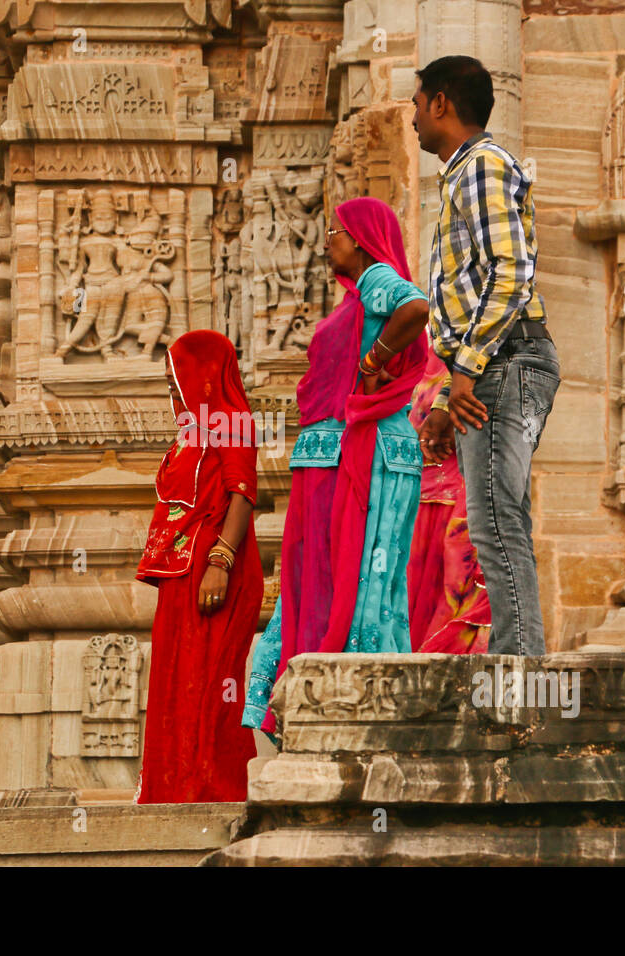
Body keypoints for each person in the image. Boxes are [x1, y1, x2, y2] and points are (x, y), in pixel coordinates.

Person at [241, 196, 431, 740]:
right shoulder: (356, 298)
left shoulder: (377, 279)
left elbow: (417, 308)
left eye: (337, 231)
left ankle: (357, 704)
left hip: (365, 452)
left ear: (363, 239)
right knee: (323, 570)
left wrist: (374, 361)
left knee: (362, 571)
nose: (329, 240)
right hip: (338, 454)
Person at [411, 55, 561, 657]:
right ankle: (516, 661)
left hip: (506, 360)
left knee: (495, 522)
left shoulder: (482, 168)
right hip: (494, 365)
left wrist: (467, 371)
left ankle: (520, 671)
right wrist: (453, 391)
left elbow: (510, 274)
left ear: (442, 102)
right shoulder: (465, 173)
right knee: (500, 519)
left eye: (418, 104)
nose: (414, 118)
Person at [136, 330, 262, 803]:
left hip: (216, 571)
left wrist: (221, 561)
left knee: (213, 687)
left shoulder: (233, 421)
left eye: (177, 382)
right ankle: (173, 789)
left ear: (205, 376)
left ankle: (215, 790)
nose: (172, 393)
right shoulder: (190, 435)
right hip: (180, 577)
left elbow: (242, 492)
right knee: (176, 683)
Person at [406, 351, 492, 653]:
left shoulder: (476, 354)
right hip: (414, 504)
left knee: (459, 598)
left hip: (459, 503)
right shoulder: (417, 353)